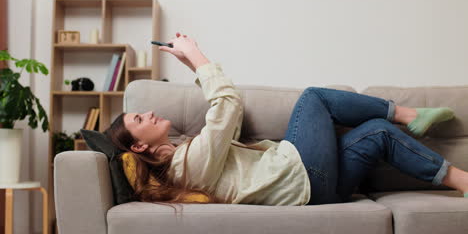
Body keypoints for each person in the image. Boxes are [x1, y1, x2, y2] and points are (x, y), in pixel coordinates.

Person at [105, 32, 468, 207]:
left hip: (320, 191)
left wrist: (193, 67)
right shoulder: (187, 168)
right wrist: (198, 55)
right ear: (139, 144)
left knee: (376, 133)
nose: (149, 112)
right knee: (314, 96)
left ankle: (463, 181)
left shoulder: (188, 157)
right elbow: (228, 105)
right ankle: (410, 114)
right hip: (305, 176)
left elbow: (225, 120)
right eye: (140, 117)